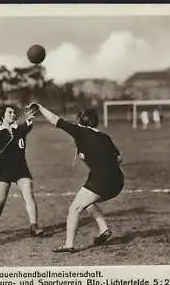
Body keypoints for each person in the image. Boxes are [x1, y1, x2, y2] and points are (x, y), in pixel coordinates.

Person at [27, 102, 124, 253]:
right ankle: (104, 229)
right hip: (118, 181)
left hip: (101, 180)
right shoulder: (104, 137)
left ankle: (69, 244)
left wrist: (39, 106)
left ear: (81, 121)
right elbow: (119, 158)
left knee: (74, 209)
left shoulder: (80, 131)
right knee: (88, 203)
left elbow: (55, 119)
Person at [0, 105, 44, 238]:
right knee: (0, 200)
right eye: (9, 112)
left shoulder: (20, 129)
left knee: (28, 193)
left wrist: (29, 119)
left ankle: (34, 226)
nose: (13, 114)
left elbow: (27, 125)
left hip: (20, 168)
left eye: (14, 112)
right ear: (2, 116)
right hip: (3, 169)